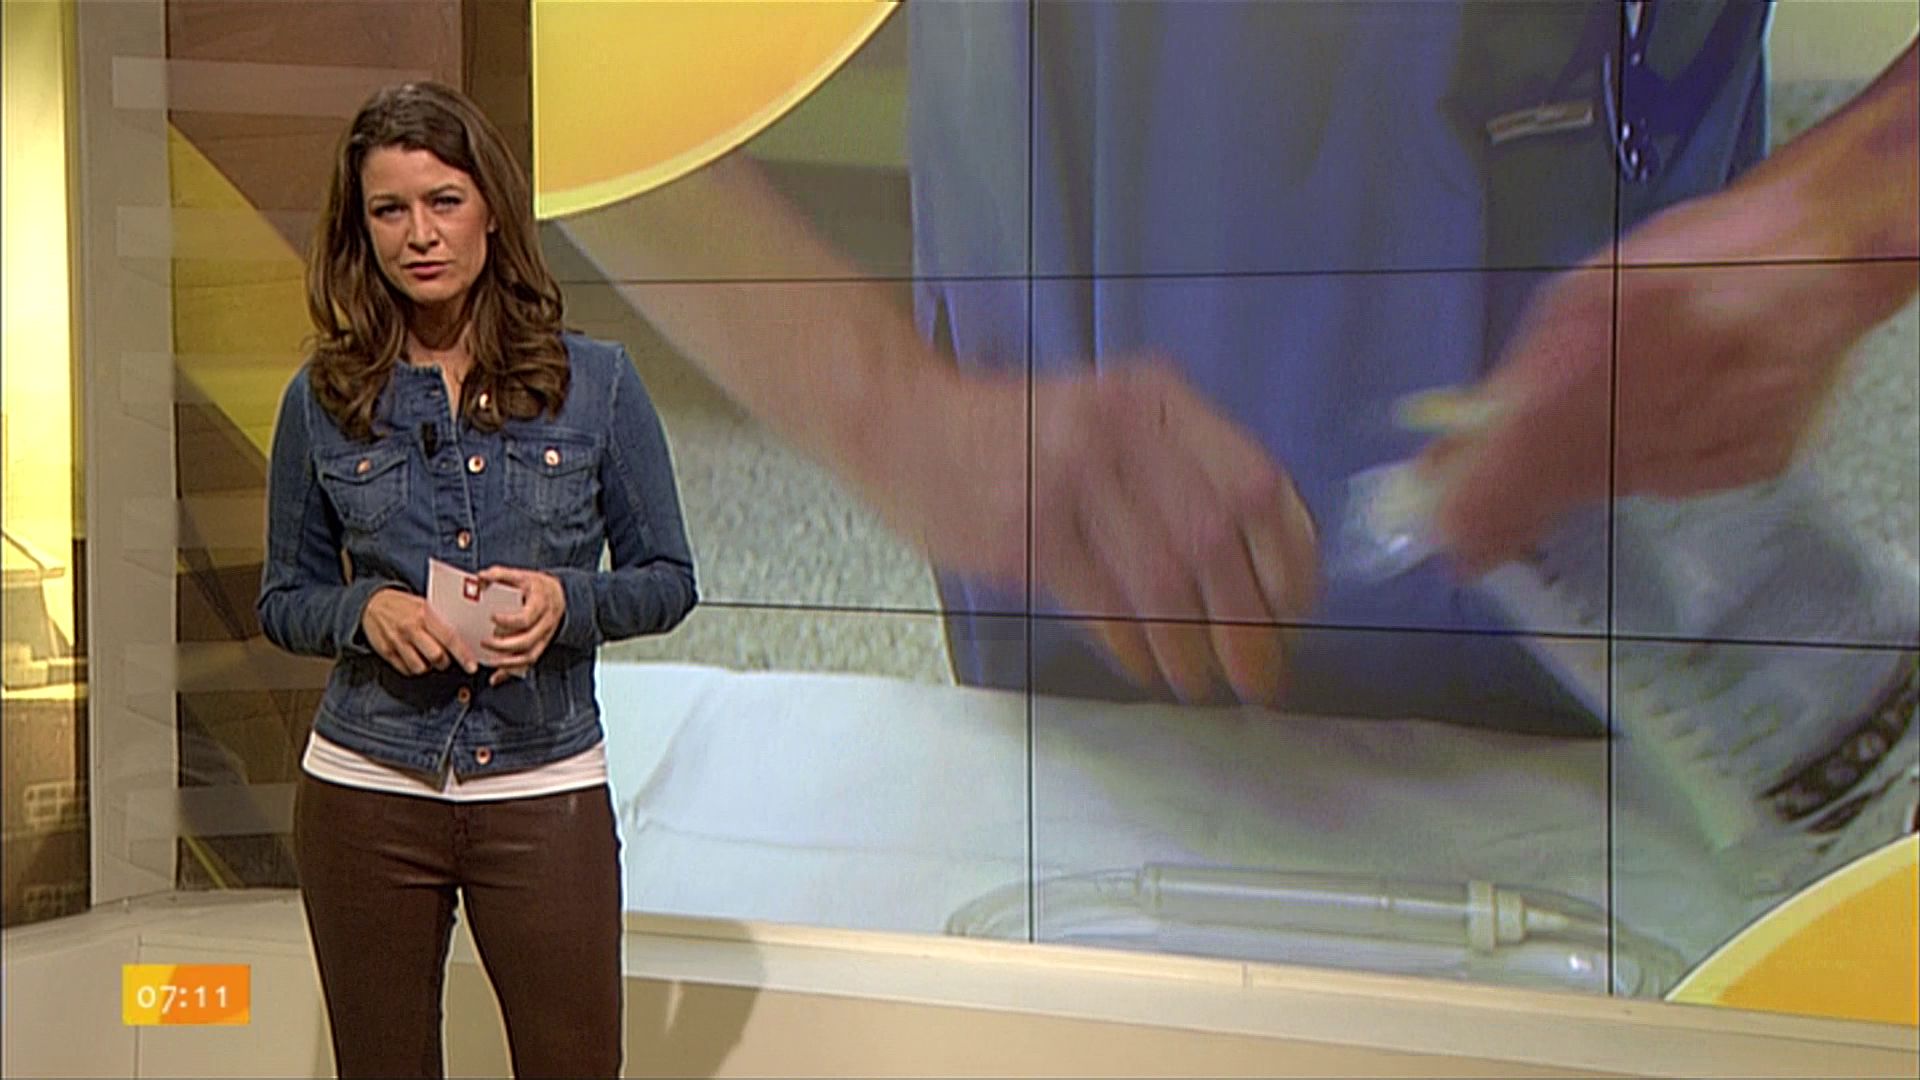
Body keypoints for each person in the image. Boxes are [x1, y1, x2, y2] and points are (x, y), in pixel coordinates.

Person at [562, 0, 1917, 734]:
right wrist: (892, 414)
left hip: (1639, 545)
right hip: (1098, 555)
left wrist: (1843, 216)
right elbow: (522, 49)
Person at [257, 81, 696, 1079]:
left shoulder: (597, 384)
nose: (419, 234)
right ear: (360, 229)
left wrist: (567, 602)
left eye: (443, 201)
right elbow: (284, 597)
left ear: (490, 208)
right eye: (389, 209)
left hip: (542, 783)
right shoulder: (323, 398)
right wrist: (364, 609)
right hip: (367, 788)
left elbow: (668, 579)